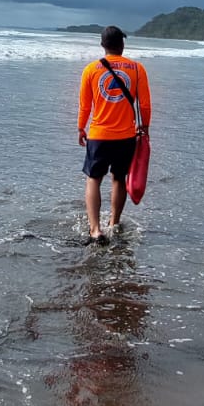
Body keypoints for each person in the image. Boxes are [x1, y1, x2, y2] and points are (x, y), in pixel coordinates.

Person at [76, 25, 151, 244]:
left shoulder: (91, 70)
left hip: (99, 135)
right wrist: (144, 128)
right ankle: (114, 224)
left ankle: (95, 229)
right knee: (119, 179)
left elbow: (85, 106)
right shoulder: (137, 69)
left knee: (93, 179)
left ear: (103, 45)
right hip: (126, 136)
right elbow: (145, 105)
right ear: (122, 44)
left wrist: (81, 128)